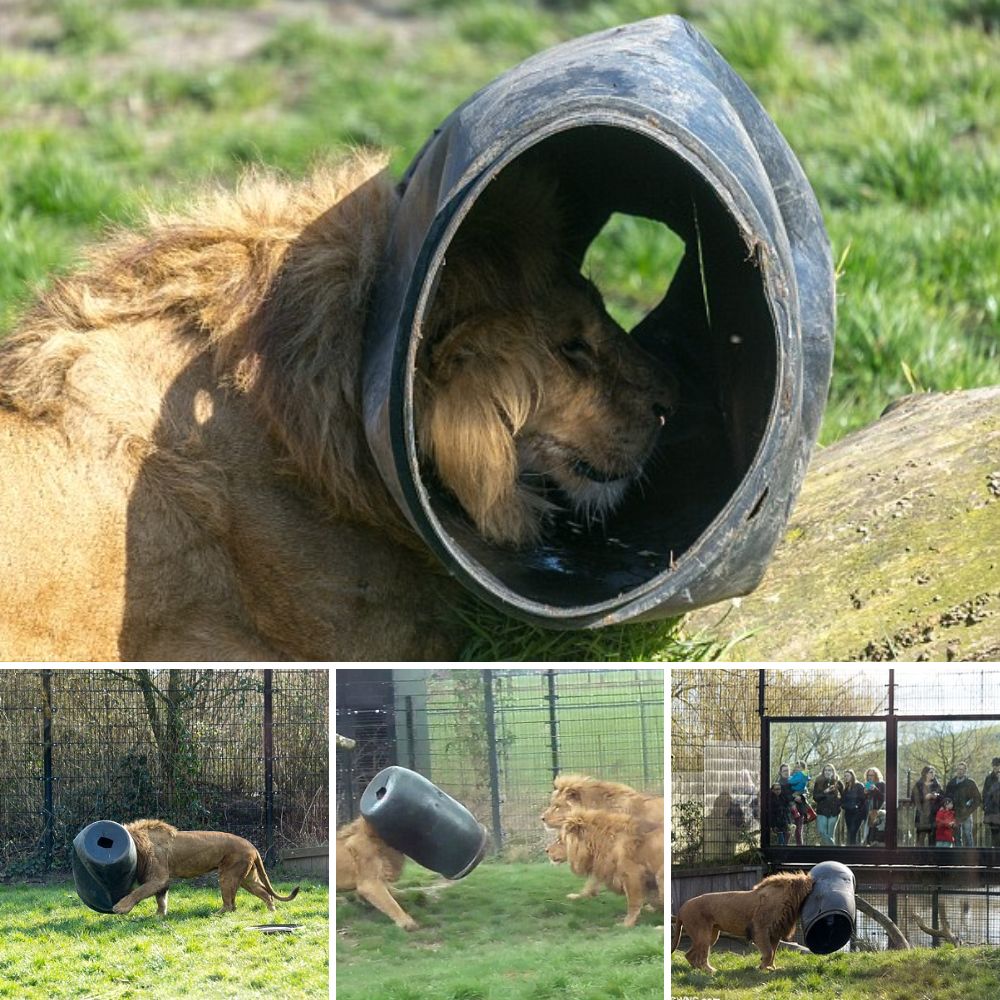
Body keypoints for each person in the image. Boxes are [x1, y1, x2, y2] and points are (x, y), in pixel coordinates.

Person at [945, 762, 982, 847]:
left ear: (965, 770)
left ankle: (970, 857)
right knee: (957, 837)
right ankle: (959, 857)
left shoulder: (970, 783)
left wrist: (969, 808)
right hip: (955, 813)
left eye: (962, 769)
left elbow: (977, 799)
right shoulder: (951, 783)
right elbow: (946, 797)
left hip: (966, 814)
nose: (960, 771)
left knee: (968, 835)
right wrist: (949, 807)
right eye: (958, 769)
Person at [812, 764, 843, 848]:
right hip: (822, 811)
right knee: (822, 832)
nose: (828, 772)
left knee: (830, 835)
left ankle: (828, 855)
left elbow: (844, 796)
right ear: (823, 772)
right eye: (826, 770)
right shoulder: (818, 782)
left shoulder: (838, 782)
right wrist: (824, 792)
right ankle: (835, 850)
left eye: (830, 770)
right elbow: (815, 797)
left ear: (833, 772)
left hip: (834, 812)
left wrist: (838, 804)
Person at [912, 765, 943, 846]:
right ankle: (919, 857)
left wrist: (937, 796)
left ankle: (931, 858)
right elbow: (913, 798)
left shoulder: (937, 785)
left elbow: (943, 798)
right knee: (920, 839)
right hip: (921, 815)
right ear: (925, 773)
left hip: (933, 815)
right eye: (931, 772)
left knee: (932, 839)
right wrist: (925, 797)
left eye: (934, 772)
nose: (933, 774)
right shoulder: (918, 784)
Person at [779, 762, 806, 846]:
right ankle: (784, 853)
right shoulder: (779, 784)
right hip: (787, 812)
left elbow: (804, 791)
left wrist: (801, 797)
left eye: (788, 770)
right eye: (784, 771)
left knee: (798, 833)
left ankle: (801, 853)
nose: (786, 772)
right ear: (780, 772)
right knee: (788, 833)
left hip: (799, 810)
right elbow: (782, 798)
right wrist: (794, 797)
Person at [841, 769, 867, 845]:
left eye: (848, 776)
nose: (846, 777)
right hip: (848, 813)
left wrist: (857, 807)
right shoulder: (846, 787)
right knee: (850, 831)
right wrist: (843, 806)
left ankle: (853, 849)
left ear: (852, 776)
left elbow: (863, 799)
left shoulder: (859, 785)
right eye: (845, 776)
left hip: (857, 813)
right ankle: (853, 848)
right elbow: (843, 799)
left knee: (853, 831)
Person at [863, 767, 886, 846]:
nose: (870, 777)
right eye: (869, 775)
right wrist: (865, 793)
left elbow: (884, 797)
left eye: (872, 775)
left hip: (879, 810)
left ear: (876, 775)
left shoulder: (882, 784)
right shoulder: (868, 784)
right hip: (870, 810)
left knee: (877, 831)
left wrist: (875, 789)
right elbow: (865, 799)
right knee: (870, 831)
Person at [982, 758, 1000, 848]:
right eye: (994, 765)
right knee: (993, 833)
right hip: (992, 810)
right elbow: (985, 793)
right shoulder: (989, 778)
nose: (996, 767)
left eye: (997, 765)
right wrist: (985, 805)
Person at [768, 780, 792, 846]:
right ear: (772, 790)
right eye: (776, 789)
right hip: (776, 823)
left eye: (779, 789)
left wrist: (789, 822)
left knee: (786, 839)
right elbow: (771, 814)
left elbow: (787, 811)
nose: (778, 791)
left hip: (784, 822)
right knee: (780, 840)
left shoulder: (783, 797)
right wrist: (773, 825)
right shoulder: (770, 799)